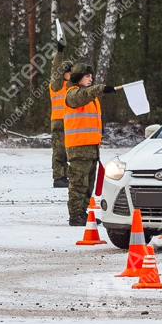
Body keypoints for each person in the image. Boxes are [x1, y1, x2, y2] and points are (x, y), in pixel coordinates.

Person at [64, 63, 119, 226]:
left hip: (91, 147)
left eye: (91, 76)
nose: (91, 79)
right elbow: (83, 96)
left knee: (88, 184)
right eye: (87, 76)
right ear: (78, 78)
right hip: (78, 147)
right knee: (78, 183)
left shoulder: (89, 97)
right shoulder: (72, 94)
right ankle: (75, 215)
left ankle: (82, 212)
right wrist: (101, 88)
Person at [49, 40, 73, 188]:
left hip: (70, 122)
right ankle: (59, 177)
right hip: (59, 121)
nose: (70, 74)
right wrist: (59, 53)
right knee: (59, 151)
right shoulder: (56, 85)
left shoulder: (71, 87)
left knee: (69, 151)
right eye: (68, 71)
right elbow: (55, 70)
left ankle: (66, 176)